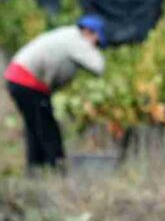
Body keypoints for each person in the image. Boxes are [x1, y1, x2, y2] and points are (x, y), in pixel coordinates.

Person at [4, 14, 107, 173]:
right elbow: (99, 66)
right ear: (88, 32)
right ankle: (56, 169)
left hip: (17, 79)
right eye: (97, 41)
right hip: (27, 82)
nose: (96, 46)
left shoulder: (67, 35)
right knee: (48, 128)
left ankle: (35, 170)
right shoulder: (77, 41)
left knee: (35, 126)